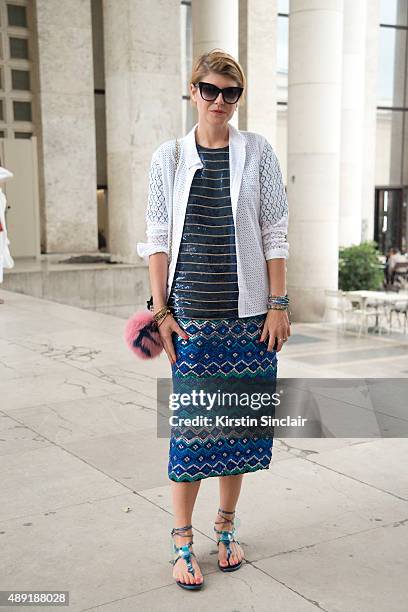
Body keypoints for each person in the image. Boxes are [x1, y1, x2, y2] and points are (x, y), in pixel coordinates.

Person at [137, 48, 290, 590]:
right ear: (193, 90)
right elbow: (156, 238)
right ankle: (183, 540)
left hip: (249, 320)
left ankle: (225, 529)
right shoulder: (169, 158)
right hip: (194, 320)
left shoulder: (259, 153)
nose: (219, 101)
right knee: (192, 435)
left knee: (235, 431)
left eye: (230, 93)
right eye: (210, 90)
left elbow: (275, 230)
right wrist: (160, 311)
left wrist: (278, 304)